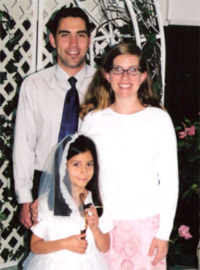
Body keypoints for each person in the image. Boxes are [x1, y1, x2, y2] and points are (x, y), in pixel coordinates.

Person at [79, 42, 179, 269]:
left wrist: (163, 233)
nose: (125, 76)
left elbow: (170, 181)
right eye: (118, 69)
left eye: (133, 69)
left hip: (146, 225)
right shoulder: (92, 120)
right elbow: (81, 175)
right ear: (107, 74)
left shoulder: (158, 119)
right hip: (103, 224)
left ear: (143, 76)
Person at [13, 6, 96, 229]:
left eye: (81, 35)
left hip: (89, 184)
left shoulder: (103, 85)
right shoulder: (34, 86)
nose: (73, 44)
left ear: (89, 40)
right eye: (64, 35)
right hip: (44, 185)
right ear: (52, 40)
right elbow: (24, 145)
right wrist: (25, 199)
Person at [22, 134, 113, 270]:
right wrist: (64, 243)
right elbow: (35, 245)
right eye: (76, 164)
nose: (84, 171)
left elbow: (105, 247)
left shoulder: (97, 201)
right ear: (63, 167)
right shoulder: (48, 203)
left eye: (89, 164)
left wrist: (95, 229)